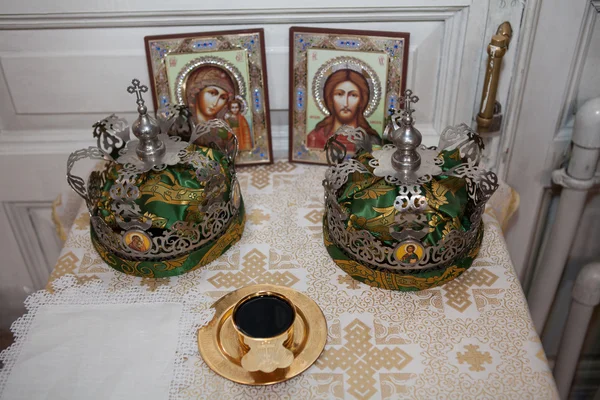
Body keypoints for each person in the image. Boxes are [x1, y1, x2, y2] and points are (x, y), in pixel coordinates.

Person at [306, 69, 380, 152]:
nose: (345, 103)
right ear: (330, 99)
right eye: (339, 94)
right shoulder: (315, 137)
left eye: (353, 95)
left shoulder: (370, 140)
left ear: (362, 101)